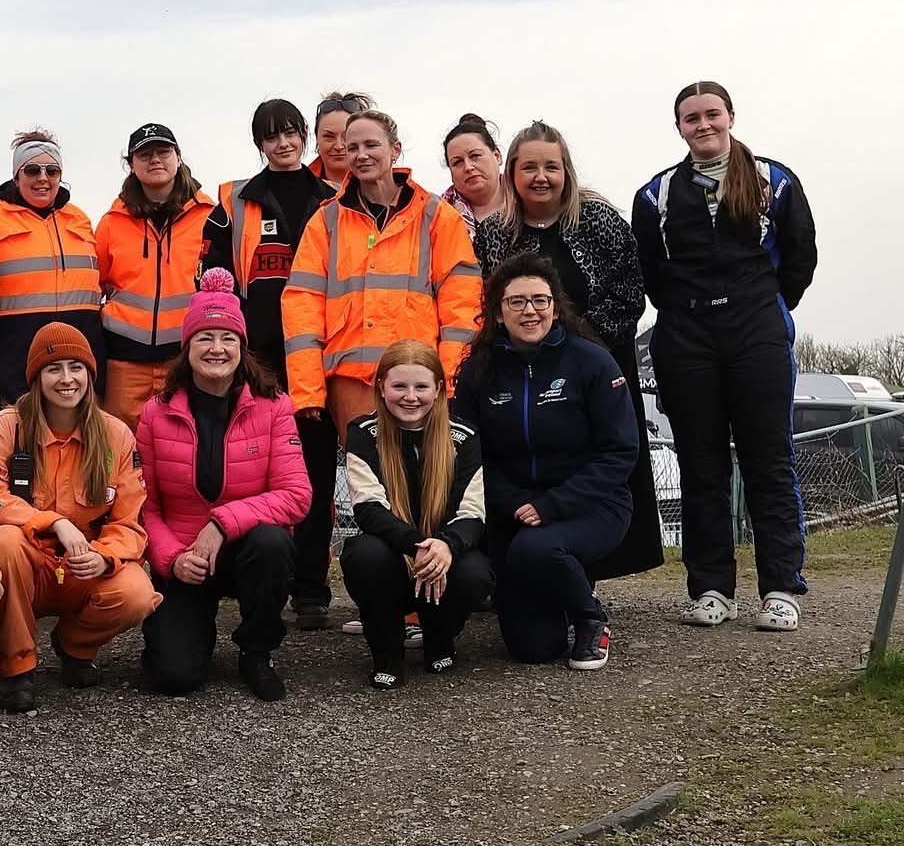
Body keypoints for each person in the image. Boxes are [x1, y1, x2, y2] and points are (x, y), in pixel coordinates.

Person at [634, 81, 818, 631]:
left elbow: (801, 255)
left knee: (769, 461)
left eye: (712, 114)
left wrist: (764, 304)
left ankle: (781, 588)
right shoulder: (656, 193)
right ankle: (712, 588)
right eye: (691, 118)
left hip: (757, 327)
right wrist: (688, 312)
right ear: (679, 128)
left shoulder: (774, 179)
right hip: (686, 334)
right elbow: (650, 270)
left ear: (731, 117)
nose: (703, 125)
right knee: (701, 465)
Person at [475, 121, 659, 580]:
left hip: (596, 367)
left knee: (597, 463)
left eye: (551, 167)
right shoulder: (495, 231)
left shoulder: (598, 220)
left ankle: (587, 571)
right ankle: (521, 565)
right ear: (512, 173)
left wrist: (577, 350)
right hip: (518, 370)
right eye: (530, 167)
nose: (541, 176)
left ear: (566, 171)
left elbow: (630, 293)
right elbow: (486, 299)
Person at [453, 255, 638, 669]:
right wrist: (512, 501)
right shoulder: (478, 371)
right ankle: (564, 586)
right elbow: (467, 455)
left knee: (539, 548)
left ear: (555, 306)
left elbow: (619, 452)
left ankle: (591, 619)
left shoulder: (591, 361)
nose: (530, 310)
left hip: (591, 505)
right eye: (516, 302)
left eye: (540, 299)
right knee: (532, 649)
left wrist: (553, 505)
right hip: (513, 511)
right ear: (498, 312)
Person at [136, 270, 310, 700]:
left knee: (273, 544)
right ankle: (183, 634)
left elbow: (296, 495)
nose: (217, 349)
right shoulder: (154, 414)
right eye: (205, 338)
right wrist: (172, 560)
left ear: (242, 347)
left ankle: (257, 651)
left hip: (246, 552)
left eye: (228, 338)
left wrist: (222, 524)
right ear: (187, 347)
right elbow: (145, 507)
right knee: (174, 678)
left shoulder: (274, 406)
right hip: (184, 556)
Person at [208, 98, 343, 631]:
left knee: (313, 474)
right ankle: (254, 584)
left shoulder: (333, 198)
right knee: (252, 473)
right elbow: (214, 273)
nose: (283, 143)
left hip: (317, 354)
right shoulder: (235, 200)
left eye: (291, 133)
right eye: (271, 136)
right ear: (258, 143)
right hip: (256, 361)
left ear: (304, 136)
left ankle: (311, 590)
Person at [0, 322, 159, 712]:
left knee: (137, 593)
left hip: (83, 567)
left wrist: (105, 555)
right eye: (53, 369)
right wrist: (52, 521)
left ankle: (75, 646)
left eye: (76, 368)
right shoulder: (8, 427)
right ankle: (16, 668)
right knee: (4, 543)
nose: (66, 379)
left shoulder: (116, 435)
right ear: (36, 378)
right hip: (27, 564)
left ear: (90, 376)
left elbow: (130, 521)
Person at [283, 109, 483, 433]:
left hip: (419, 385)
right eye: (353, 148)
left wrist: (448, 382)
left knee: (422, 480)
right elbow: (302, 305)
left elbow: (462, 305)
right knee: (366, 482)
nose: (361, 155)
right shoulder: (326, 221)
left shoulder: (436, 217)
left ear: (395, 149)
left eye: (371, 145)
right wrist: (308, 392)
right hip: (350, 386)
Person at [340, 340, 490, 689]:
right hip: (395, 555)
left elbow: (472, 512)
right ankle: (387, 652)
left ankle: (440, 638)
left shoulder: (464, 436)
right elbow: (369, 509)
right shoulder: (362, 434)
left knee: (474, 572)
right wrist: (420, 545)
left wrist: (446, 546)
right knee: (364, 553)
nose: (411, 396)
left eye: (421, 386)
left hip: (442, 553)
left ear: (438, 389)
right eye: (399, 386)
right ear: (381, 387)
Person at [0, 129, 102, 410]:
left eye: (52, 171)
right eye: (32, 170)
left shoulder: (79, 219)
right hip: (14, 357)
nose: (43, 178)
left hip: (76, 360)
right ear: (16, 177)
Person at [96, 123, 217, 428]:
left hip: (186, 360)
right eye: (145, 154)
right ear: (131, 164)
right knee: (119, 448)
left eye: (163, 151)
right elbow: (94, 285)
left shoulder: (209, 217)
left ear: (178, 156)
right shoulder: (111, 223)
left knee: (182, 447)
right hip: (123, 362)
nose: (155, 160)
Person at [441, 114, 505, 234]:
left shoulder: (529, 202)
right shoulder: (436, 216)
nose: (468, 167)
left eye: (475, 156)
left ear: (497, 156)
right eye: (457, 162)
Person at [308, 91, 375, 182]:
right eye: (329, 137)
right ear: (317, 138)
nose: (338, 146)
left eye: (347, 136)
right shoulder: (298, 189)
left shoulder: (392, 189)